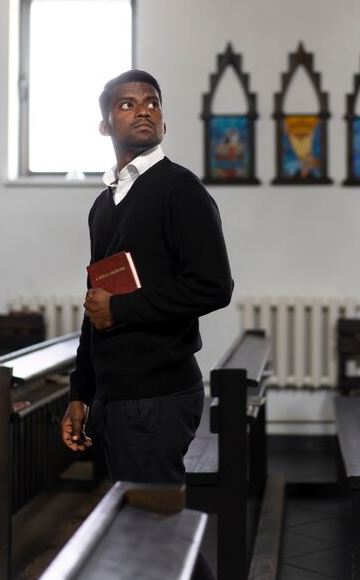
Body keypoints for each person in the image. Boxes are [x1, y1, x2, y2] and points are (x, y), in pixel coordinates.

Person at [60, 69, 233, 578]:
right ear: (104, 124)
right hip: (119, 394)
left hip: (157, 392)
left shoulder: (179, 190)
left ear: (163, 117)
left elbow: (213, 286)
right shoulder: (104, 203)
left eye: (151, 103)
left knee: (155, 535)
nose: (142, 111)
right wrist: (81, 390)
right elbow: (96, 303)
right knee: (148, 531)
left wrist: (124, 310)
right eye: (126, 104)